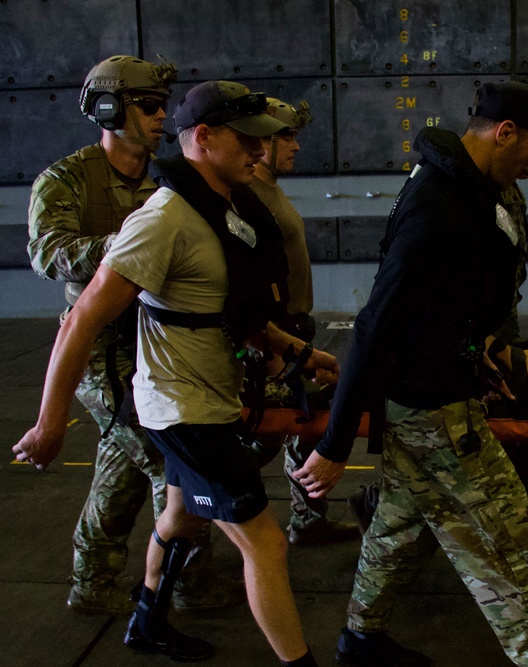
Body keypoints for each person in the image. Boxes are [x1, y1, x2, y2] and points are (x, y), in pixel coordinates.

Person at [15, 80, 340, 667]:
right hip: (182, 409)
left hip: (209, 395)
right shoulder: (164, 218)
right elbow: (81, 320)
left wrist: (294, 351)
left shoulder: (225, 211)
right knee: (265, 543)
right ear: (204, 138)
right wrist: (49, 425)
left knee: (180, 514)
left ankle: (146, 623)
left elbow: (225, 308)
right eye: (247, 140)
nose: (260, 151)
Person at [294, 81, 528, 666]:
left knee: (400, 524)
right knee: (517, 556)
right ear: (504, 132)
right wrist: (334, 444)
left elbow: (445, 304)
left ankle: (361, 638)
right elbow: (376, 321)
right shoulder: (440, 205)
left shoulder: (461, 189)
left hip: (432, 394)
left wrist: (476, 356)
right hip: (434, 411)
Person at [26, 55, 239, 615]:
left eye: (163, 107)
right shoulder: (67, 179)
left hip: (150, 340)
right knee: (164, 455)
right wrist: (134, 246)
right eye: (147, 106)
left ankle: (92, 579)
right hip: (96, 348)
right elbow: (50, 254)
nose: (160, 117)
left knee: (124, 460)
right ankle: (190, 581)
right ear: (107, 108)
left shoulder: (162, 178)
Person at [249, 96, 358, 546]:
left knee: (303, 426)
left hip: (294, 329)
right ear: (260, 142)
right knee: (260, 438)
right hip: (270, 339)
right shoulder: (248, 195)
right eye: (286, 136)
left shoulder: (270, 189)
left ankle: (308, 520)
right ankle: (211, 517)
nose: (295, 146)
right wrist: (272, 351)